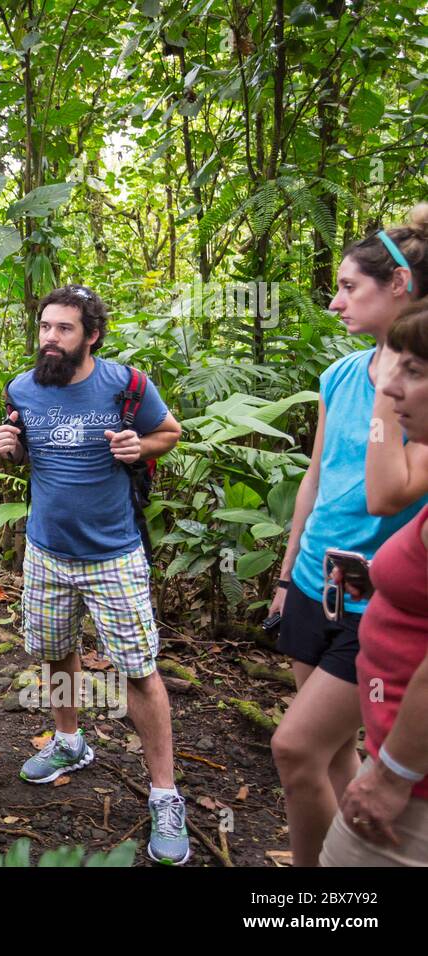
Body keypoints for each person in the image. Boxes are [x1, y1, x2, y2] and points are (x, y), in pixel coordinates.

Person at [0, 285, 186, 864]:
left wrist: (137, 446)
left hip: (114, 554)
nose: (50, 338)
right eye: (45, 327)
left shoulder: (126, 386)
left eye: (64, 329)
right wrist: (11, 449)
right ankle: (70, 741)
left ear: (91, 336)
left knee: (138, 669)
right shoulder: (23, 389)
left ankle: (163, 793)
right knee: (55, 653)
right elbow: (26, 453)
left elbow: (169, 433)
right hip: (46, 551)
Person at [269, 206, 428, 866]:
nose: (334, 302)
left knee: (295, 747)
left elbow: (385, 494)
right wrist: (284, 577)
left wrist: (390, 384)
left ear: (398, 287)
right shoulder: (338, 376)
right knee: (335, 751)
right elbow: (315, 478)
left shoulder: (418, 389)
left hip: (375, 603)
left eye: (348, 287)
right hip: (315, 583)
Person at [321, 298, 428, 866]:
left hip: (411, 786)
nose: (389, 388)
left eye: (413, 371)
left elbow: (383, 496)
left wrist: (394, 775)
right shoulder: (339, 378)